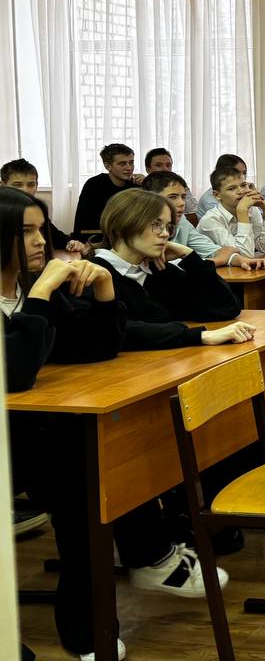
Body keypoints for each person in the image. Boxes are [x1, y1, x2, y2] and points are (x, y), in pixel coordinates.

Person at [1, 187, 227, 660]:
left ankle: (106, 608)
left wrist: (104, 293)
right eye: (26, 232)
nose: (43, 241)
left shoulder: (27, 286)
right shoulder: (33, 290)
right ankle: (126, 583)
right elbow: (15, 372)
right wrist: (42, 294)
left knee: (112, 454)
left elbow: (94, 347)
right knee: (91, 475)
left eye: (42, 229)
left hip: (41, 435)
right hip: (13, 444)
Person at [89, 188, 251, 350]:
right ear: (123, 225)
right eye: (156, 225)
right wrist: (200, 335)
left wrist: (189, 257)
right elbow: (116, 330)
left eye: (168, 227)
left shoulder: (158, 270)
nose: (165, 234)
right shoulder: (93, 274)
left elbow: (226, 308)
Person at [141, 171, 265, 271]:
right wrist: (217, 260)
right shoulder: (141, 226)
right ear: (151, 199)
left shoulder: (182, 222)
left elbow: (214, 251)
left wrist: (239, 259)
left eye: (183, 197)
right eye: (173, 197)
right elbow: (166, 266)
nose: (181, 203)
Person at [3, 157, 87, 255]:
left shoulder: (36, 212)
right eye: (17, 185)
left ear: (36, 186)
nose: (25, 190)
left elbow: (60, 239)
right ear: (3, 186)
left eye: (31, 185)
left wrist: (72, 243)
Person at [197, 165, 265, 258]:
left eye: (243, 185)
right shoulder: (210, 220)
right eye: (232, 188)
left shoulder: (252, 210)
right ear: (217, 195)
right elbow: (245, 255)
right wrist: (242, 212)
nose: (241, 191)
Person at [72, 143, 143, 239]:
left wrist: (147, 183)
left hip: (130, 238)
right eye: (122, 163)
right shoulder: (94, 184)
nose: (129, 168)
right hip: (98, 238)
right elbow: (83, 222)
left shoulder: (136, 184)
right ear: (107, 166)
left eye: (131, 162)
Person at [193, 153, 246, 219]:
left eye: (244, 173)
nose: (242, 176)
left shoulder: (242, 192)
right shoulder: (209, 200)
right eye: (236, 172)